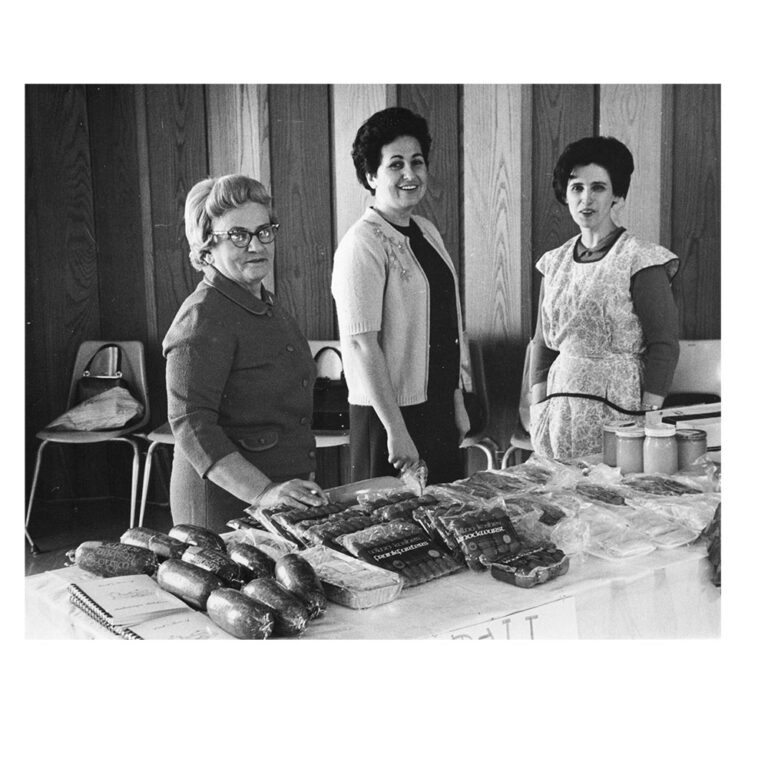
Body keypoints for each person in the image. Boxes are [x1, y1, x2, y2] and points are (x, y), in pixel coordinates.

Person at [163, 174, 328, 532]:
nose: (256, 245)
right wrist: (263, 492)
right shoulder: (202, 316)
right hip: (225, 505)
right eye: (238, 235)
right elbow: (191, 422)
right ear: (207, 247)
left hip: (278, 499)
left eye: (264, 231)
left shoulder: (266, 303)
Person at [331, 107, 473, 484]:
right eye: (396, 164)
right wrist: (396, 429)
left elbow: (448, 326)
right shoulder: (361, 244)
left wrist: (457, 401)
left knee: (445, 513)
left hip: (436, 409)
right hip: (389, 419)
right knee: (392, 519)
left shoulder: (426, 231)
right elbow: (362, 345)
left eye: (417, 162)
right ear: (370, 176)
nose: (410, 174)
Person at [529, 135, 680, 460]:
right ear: (565, 194)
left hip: (620, 407)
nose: (586, 199)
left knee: (610, 487)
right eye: (576, 188)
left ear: (617, 196)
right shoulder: (553, 262)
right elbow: (541, 343)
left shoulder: (641, 259)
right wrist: (537, 403)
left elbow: (664, 344)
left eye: (598, 187)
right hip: (561, 405)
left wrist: (649, 416)